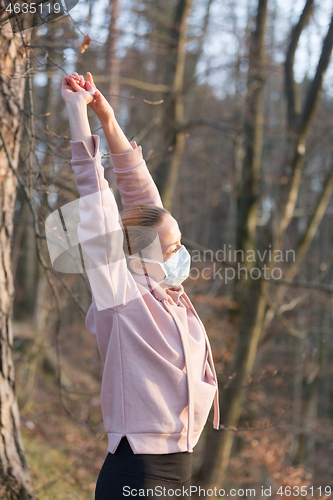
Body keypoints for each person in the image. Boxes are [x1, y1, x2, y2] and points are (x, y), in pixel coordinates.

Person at [60, 72, 220, 499]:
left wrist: (108, 121)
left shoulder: (172, 297)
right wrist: (78, 117)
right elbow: (96, 207)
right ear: (139, 255)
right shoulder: (121, 291)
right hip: (137, 474)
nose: (180, 252)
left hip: (179, 471)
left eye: (180, 241)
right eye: (172, 247)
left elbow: (146, 206)